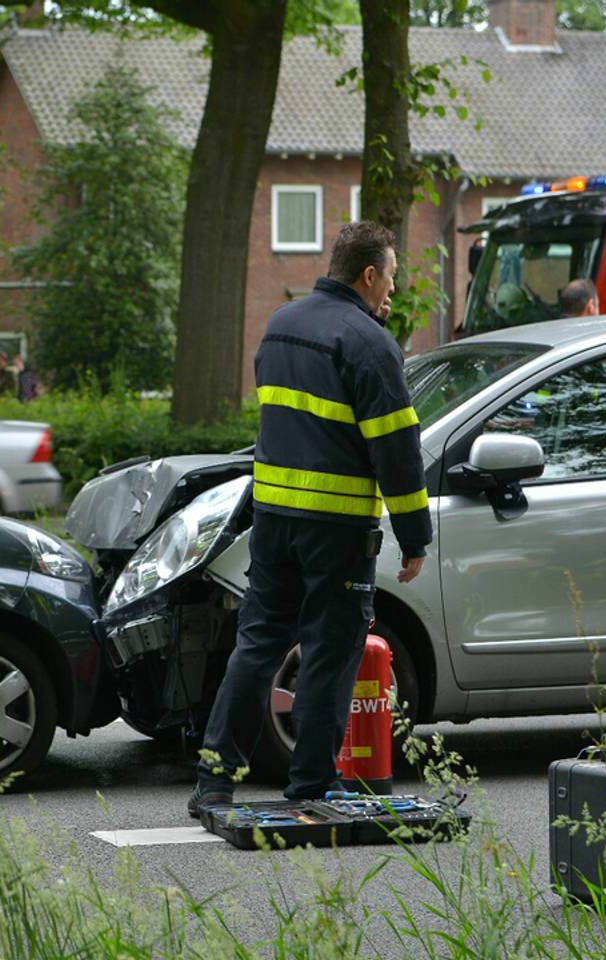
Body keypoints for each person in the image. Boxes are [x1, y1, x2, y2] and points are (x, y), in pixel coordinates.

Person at [188, 221, 433, 814]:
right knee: (331, 649)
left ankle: (215, 780)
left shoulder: (281, 326)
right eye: (391, 278)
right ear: (368, 274)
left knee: (257, 644)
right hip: (337, 528)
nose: (392, 292)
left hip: (273, 521)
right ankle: (311, 787)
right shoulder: (370, 343)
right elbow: (396, 450)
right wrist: (415, 536)